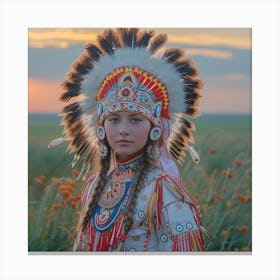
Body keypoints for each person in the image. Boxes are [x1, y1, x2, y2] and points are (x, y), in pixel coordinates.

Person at [55, 28, 210, 251]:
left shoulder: (163, 191)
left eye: (136, 120)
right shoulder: (94, 186)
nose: (123, 130)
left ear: (154, 128)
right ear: (101, 127)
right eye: (114, 119)